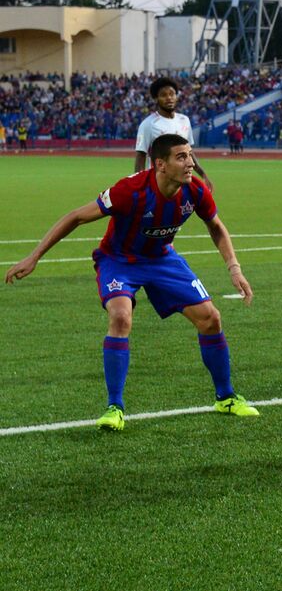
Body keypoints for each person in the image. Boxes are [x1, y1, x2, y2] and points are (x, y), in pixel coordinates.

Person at [4, 134, 258, 430]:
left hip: (162, 258)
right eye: (181, 157)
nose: (190, 163)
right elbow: (75, 217)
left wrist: (234, 268)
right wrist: (33, 257)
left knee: (210, 318)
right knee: (121, 317)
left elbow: (216, 227)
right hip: (119, 260)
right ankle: (115, 407)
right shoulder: (130, 190)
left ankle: (226, 397)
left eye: (190, 155)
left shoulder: (196, 191)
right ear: (160, 164)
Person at [135, 77, 211, 185]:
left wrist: (203, 174)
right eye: (163, 95)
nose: (169, 98)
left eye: (172, 94)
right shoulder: (148, 124)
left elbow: (189, 152)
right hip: (159, 183)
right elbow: (140, 156)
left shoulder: (184, 120)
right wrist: (139, 184)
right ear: (156, 98)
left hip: (181, 182)